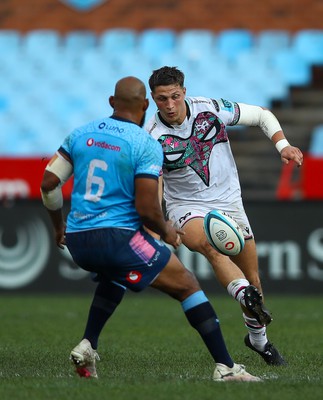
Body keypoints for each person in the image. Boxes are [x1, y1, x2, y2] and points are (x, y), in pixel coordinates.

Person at [40, 76, 263, 382]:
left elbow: (49, 185)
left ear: (111, 102)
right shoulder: (144, 142)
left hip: (78, 240)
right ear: (146, 105)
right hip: (118, 238)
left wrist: (58, 226)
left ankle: (88, 343)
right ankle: (226, 368)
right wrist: (167, 231)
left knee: (115, 275)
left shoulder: (80, 134)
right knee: (187, 284)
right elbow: (147, 209)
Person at [146, 66, 304, 366]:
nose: (169, 105)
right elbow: (155, 182)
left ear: (184, 91)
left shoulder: (211, 109)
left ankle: (258, 340)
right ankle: (243, 293)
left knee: (253, 276)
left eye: (174, 96)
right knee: (209, 247)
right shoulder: (151, 136)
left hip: (228, 201)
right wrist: (158, 222)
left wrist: (282, 146)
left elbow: (261, 115)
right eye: (161, 99)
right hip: (186, 206)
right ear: (153, 99)